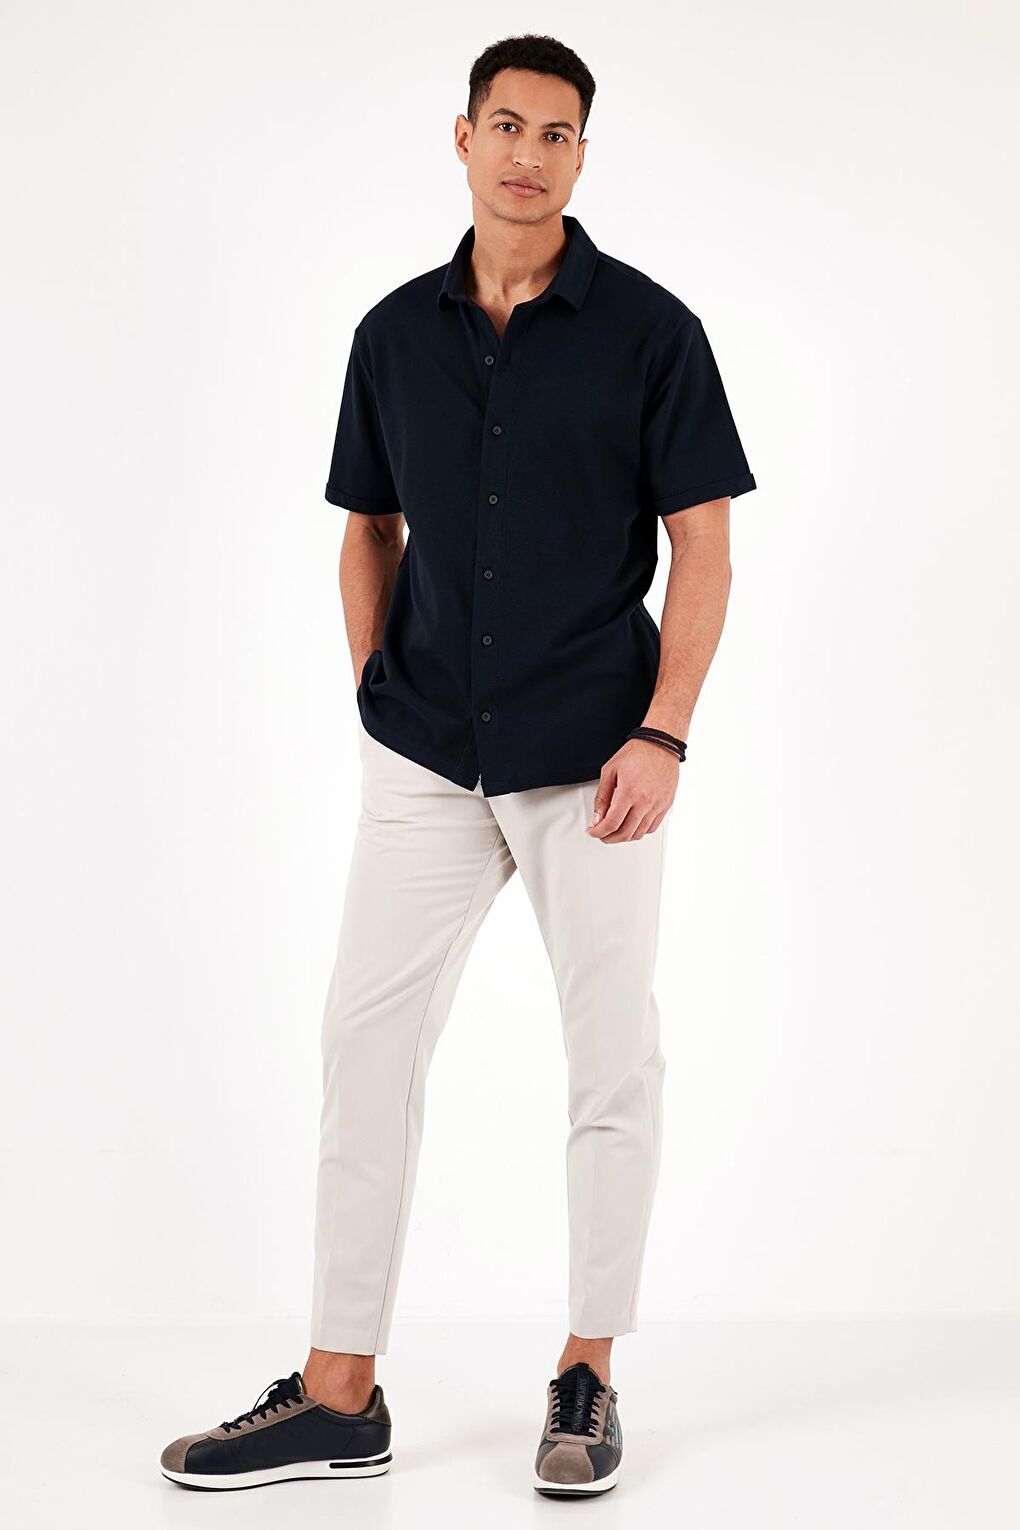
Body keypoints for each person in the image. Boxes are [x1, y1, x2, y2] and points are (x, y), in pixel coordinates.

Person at [159, 31, 756, 1498]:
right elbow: (367, 527)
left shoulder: (654, 333)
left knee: (609, 1058)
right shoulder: (392, 335)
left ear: (582, 156)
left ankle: (587, 1370)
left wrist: (665, 730)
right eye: (507, 124)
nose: (528, 154)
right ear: (463, 136)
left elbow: (703, 544)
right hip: (427, 750)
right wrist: (376, 684)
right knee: (364, 1046)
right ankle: (337, 1394)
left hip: (595, 759)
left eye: (557, 134)